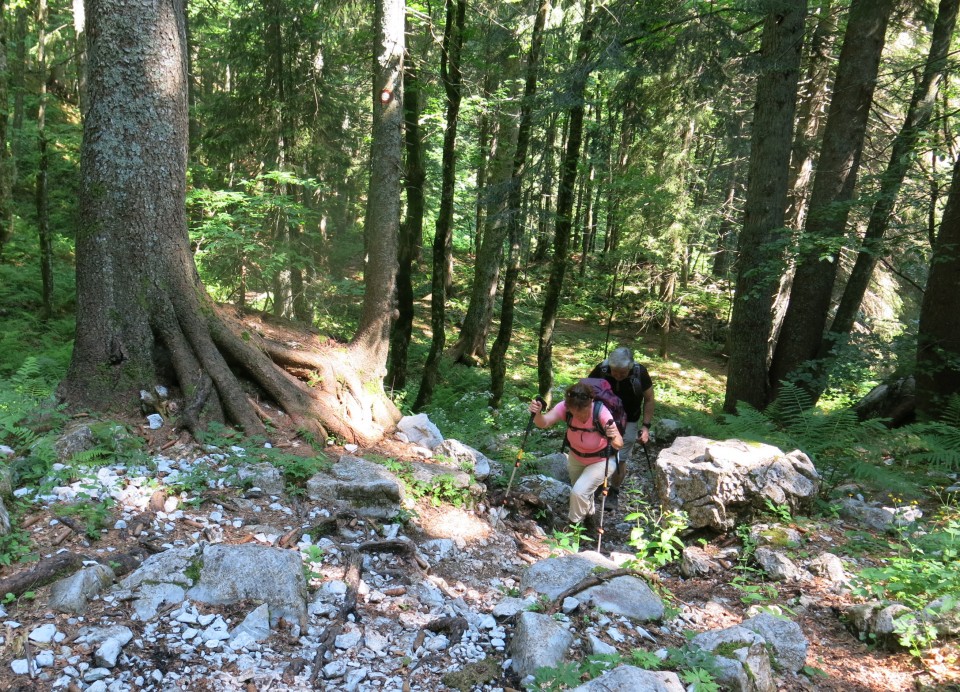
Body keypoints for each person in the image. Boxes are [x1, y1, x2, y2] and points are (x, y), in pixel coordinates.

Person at [528, 381, 623, 531]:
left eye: (582, 411)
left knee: (578, 491)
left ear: (590, 402)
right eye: (574, 411)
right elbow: (543, 423)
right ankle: (590, 518)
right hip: (576, 457)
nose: (578, 416)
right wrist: (537, 413)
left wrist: (612, 435)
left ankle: (573, 527)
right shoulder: (564, 407)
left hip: (602, 459)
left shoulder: (602, 412)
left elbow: (619, 444)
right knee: (584, 490)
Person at [589, 346, 654, 509]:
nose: (617, 376)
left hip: (629, 421)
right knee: (598, 453)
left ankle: (614, 492)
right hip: (602, 419)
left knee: (620, 458)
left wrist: (645, 427)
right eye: (614, 372)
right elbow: (586, 391)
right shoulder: (602, 369)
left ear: (630, 367)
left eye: (622, 373)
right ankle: (597, 485)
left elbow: (650, 399)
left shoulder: (640, 373)